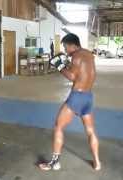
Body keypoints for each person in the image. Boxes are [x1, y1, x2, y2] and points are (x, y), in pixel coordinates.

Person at [39, 33, 101, 171]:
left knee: (58, 127)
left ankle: (55, 162)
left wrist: (60, 66)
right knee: (90, 131)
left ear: (73, 45)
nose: (66, 50)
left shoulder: (77, 56)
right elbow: (83, 72)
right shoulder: (88, 55)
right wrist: (67, 63)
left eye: (66, 47)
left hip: (77, 97)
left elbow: (73, 76)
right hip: (88, 97)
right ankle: (97, 162)